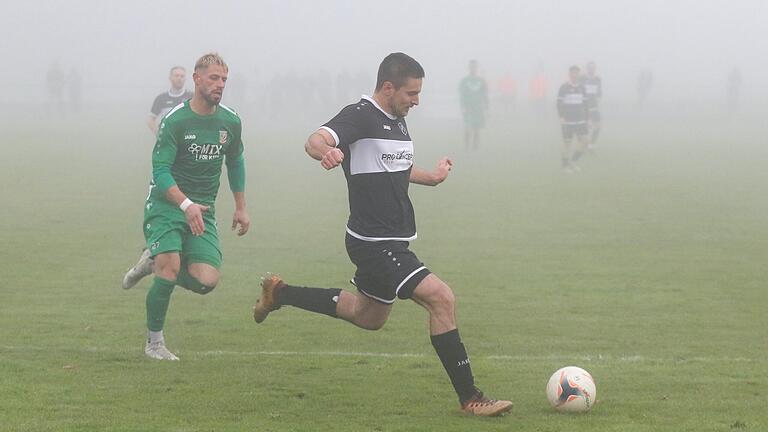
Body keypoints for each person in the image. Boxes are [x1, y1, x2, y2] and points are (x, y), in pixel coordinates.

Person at [252, 52, 512, 416]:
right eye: (411, 93)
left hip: (389, 238)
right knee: (441, 298)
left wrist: (432, 177)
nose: (416, 101)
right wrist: (326, 152)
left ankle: (280, 292)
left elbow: (395, 168)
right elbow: (315, 140)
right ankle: (471, 398)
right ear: (388, 87)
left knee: (368, 316)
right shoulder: (360, 115)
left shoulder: (396, 119)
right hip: (375, 242)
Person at [122, 53, 250, 360]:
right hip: (167, 204)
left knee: (207, 281)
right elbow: (161, 170)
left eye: (223, 80)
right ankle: (154, 344)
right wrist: (185, 203)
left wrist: (241, 207)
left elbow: (235, 161)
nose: (220, 85)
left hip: (203, 209)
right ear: (196, 79)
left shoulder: (230, 121)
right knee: (171, 267)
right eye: (213, 78)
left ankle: (152, 263)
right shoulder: (176, 120)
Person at [557, 65, 589, 172]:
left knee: (585, 141)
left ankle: (573, 162)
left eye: (576, 73)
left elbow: (585, 104)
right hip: (568, 121)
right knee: (567, 143)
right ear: (569, 74)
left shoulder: (582, 88)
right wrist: (561, 117)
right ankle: (564, 166)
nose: (574, 75)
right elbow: (559, 103)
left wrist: (587, 119)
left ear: (578, 74)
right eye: (572, 73)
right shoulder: (564, 87)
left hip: (580, 120)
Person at [147, 66, 194, 136]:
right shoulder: (161, 98)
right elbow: (150, 119)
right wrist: (157, 133)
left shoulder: (192, 97)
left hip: (187, 139)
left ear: (185, 79)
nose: (179, 78)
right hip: (168, 138)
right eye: (176, 76)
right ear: (170, 78)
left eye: (182, 76)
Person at [459, 59, 489, 150]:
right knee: (468, 128)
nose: (473, 68)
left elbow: (484, 94)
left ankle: (475, 147)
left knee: (477, 129)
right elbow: (462, 94)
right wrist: (463, 106)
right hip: (468, 108)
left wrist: (486, 105)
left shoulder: (481, 81)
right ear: (469, 68)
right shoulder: (464, 81)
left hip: (478, 108)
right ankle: (467, 147)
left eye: (475, 67)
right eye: (471, 67)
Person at [581, 61, 602, 150]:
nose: (591, 69)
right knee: (585, 128)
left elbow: (600, 93)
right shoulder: (582, 78)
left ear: (595, 69)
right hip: (584, 108)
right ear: (587, 69)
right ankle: (585, 144)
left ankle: (591, 144)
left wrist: (598, 99)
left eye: (593, 68)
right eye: (589, 68)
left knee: (598, 126)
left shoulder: (598, 79)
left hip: (594, 107)